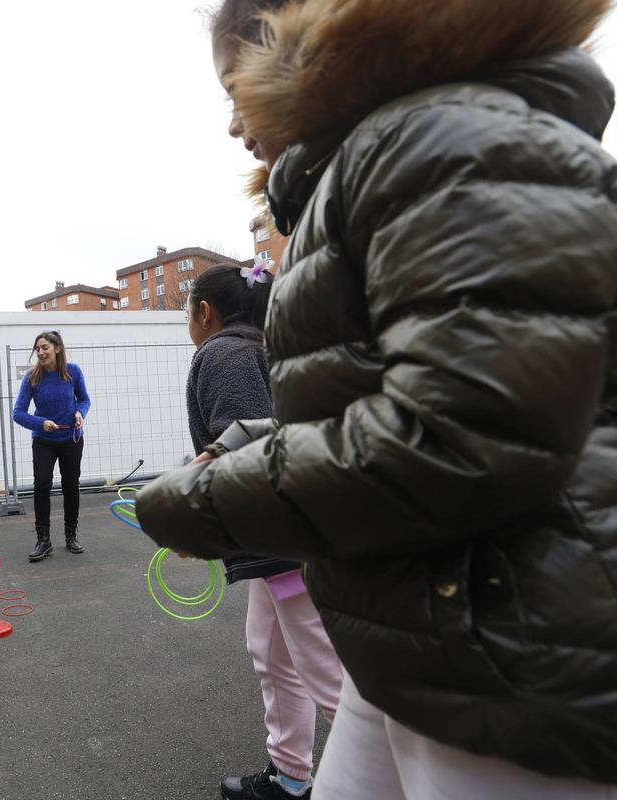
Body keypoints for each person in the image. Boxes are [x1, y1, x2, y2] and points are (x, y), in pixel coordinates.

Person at [136, 0, 617, 797]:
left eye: (232, 88)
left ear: (306, 39)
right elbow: (377, 390)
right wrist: (247, 441)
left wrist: (203, 503)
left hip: (514, 653)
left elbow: (462, 438)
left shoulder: (447, 141)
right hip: (423, 624)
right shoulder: (381, 160)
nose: (231, 127)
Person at [184, 264, 341, 800]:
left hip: (287, 540)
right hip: (281, 541)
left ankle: (388, 780)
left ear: (205, 312)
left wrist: (196, 519)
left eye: (189, 310)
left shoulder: (225, 354)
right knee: (272, 652)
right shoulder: (269, 347)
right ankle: (291, 776)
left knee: (329, 675)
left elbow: (252, 452)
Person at [12, 330, 90, 561]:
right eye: (37, 349)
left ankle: (71, 535)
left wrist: (80, 412)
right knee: (42, 483)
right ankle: (43, 540)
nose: (41, 352)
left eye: (45, 347)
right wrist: (41, 423)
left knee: (70, 485)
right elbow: (17, 413)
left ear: (57, 348)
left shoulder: (72, 372)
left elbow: (84, 399)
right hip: (44, 440)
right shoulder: (32, 378)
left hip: (71, 439)